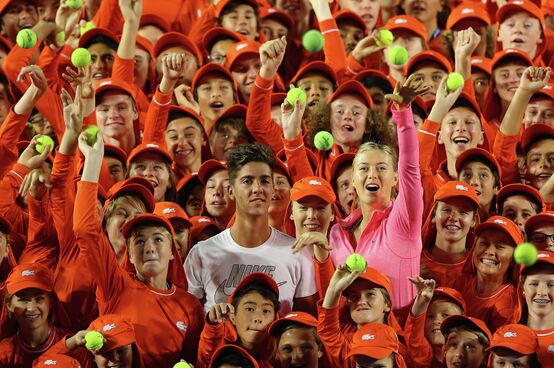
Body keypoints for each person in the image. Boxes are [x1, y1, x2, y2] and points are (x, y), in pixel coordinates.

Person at [74, 130, 204, 366]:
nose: (149, 248)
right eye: (139, 241)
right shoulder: (116, 284)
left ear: (173, 252)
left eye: (157, 239)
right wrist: (93, 160)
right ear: (130, 255)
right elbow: (85, 231)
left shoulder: (190, 305)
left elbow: (194, 360)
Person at [327, 76, 425, 312]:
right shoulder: (337, 233)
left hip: (397, 342)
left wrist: (403, 114)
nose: (372, 175)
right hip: (349, 342)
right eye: (363, 168)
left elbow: (411, 167)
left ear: (395, 179)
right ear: (353, 181)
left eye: (382, 168)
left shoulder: (404, 221)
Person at [184, 143, 318, 315]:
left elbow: (305, 325)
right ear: (231, 191)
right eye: (247, 181)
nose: (257, 189)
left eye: (264, 181)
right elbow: (191, 321)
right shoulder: (202, 253)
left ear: (272, 189)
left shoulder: (297, 253)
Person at [454, 216, 521, 332]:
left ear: (514, 259)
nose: (489, 252)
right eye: (484, 243)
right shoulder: (461, 282)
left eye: (500, 247)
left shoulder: (508, 303)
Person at [198, 273, 279, 367]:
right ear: (233, 317)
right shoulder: (218, 356)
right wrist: (213, 325)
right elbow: (207, 356)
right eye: (249, 309)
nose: (257, 318)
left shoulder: (278, 359)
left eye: (266, 311)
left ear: (274, 319)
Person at [0, 264, 69, 367]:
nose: (31, 308)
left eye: (39, 299)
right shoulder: (3, 353)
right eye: (23, 300)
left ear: (50, 302)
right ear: (9, 305)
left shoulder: (76, 348)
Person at [512, 251, 554, 367]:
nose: (542, 292)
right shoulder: (506, 334)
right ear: (523, 289)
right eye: (534, 284)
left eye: (551, 285)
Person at [421, 181, 480, 287]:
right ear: (434, 214)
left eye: (463, 212)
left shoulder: (478, 269)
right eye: (446, 210)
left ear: (473, 220)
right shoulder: (413, 262)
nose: (453, 218)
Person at [405, 282, 467, 368]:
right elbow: (415, 336)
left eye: (446, 315)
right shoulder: (423, 357)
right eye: (430, 316)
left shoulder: (472, 355)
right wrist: (421, 302)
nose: (436, 321)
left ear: (462, 320)